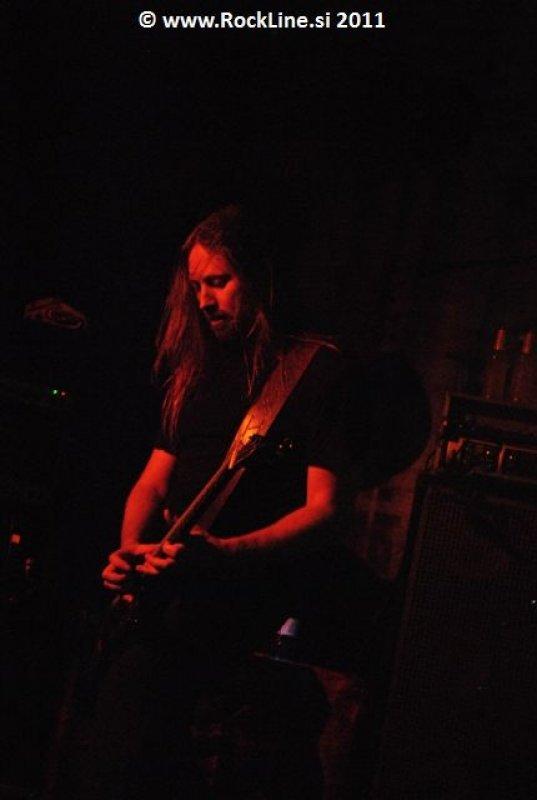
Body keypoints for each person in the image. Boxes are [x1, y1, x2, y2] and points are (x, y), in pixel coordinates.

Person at [72, 205, 351, 800]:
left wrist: (225, 552)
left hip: (237, 603)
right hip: (163, 595)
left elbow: (325, 508)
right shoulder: (196, 370)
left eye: (219, 282)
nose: (203, 300)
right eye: (196, 286)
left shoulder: (312, 371)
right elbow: (153, 481)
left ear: (260, 276)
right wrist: (129, 553)